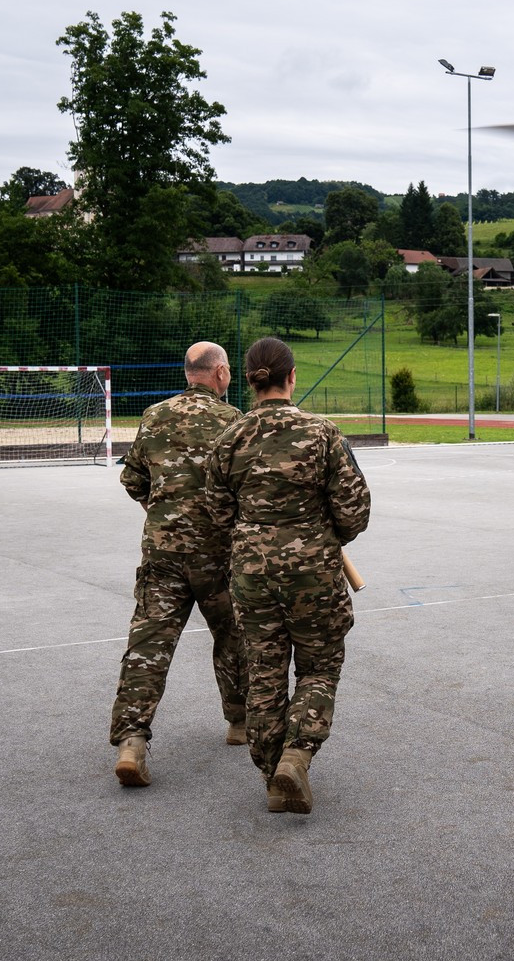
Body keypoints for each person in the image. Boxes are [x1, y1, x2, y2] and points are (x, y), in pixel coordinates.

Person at [206, 337, 371, 814]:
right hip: (314, 573)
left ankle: (270, 767)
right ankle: (296, 756)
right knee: (319, 666)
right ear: (291, 377)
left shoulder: (230, 437)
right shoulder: (322, 432)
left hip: (253, 574)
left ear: (251, 378)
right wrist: (321, 533)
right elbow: (355, 511)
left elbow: (217, 514)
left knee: (264, 670)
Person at [110, 341, 246, 787]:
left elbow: (133, 481)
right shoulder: (234, 422)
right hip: (218, 557)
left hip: (163, 554)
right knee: (233, 636)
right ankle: (239, 722)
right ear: (221, 373)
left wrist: (164, 512)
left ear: (189, 373)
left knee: (149, 645)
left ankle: (131, 741)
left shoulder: (155, 415)